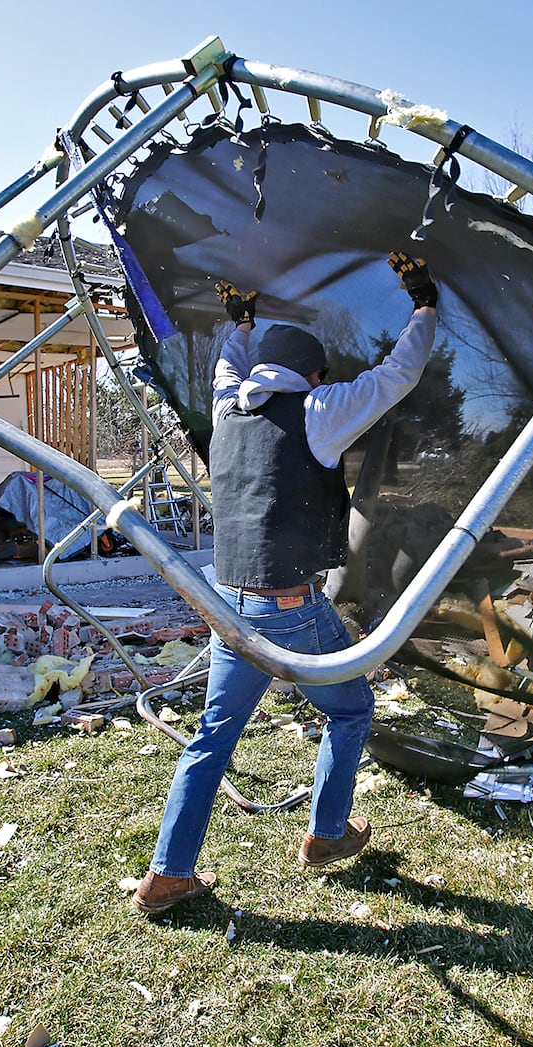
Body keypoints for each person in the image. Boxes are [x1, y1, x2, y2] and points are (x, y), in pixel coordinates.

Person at [134, 252, 440, 915]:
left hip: (231, 605)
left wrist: (238, 324)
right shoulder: (316, 410)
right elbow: (399, 374)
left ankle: (166, 876)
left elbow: (226, 364)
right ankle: (327, 837)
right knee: (353, 709)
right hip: (290, 609)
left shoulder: (225, 409)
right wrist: (424, 307)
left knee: (212, 739)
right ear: (314, 374)